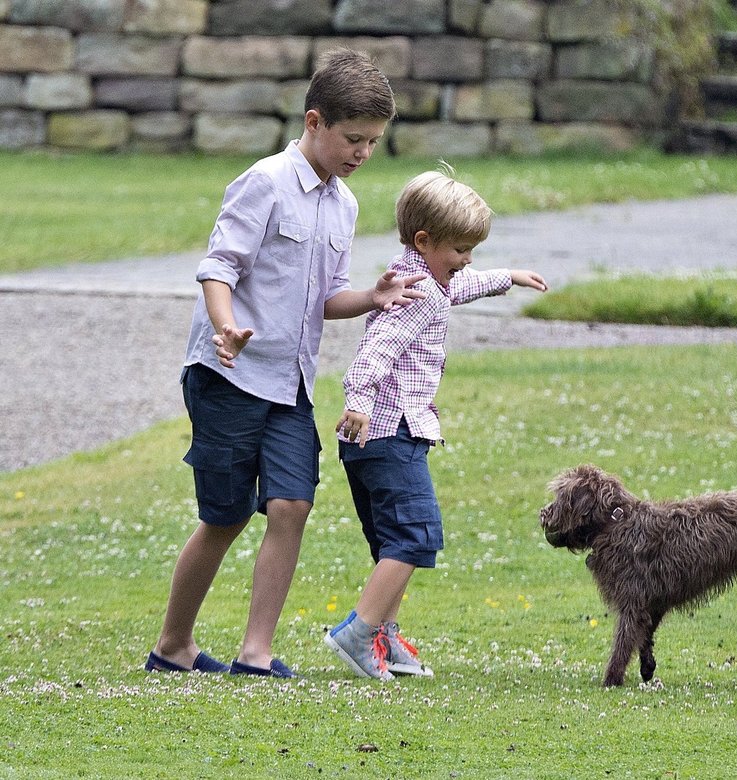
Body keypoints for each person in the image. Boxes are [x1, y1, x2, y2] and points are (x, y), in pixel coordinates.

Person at [145, 49, 424, 679]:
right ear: (314, 121)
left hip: (290, 381)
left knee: (292, 505)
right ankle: (173, 645)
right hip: (228, 374)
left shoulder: (344, 205)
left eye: (374, 142)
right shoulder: (265, 182)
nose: (362, 153)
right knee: (224, 515)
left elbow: (326, 298)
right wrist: (226, 327)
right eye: (353, 138)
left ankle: (256, 653)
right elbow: (219, 268)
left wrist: (374, 299)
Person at [325, 168, 548, 680]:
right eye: (460, 248)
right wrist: (358, 400)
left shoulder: (424, 278)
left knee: (393, 541)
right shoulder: (417, 294)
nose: (467, 259)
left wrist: (505, 277)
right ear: (424, 241)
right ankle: (357, 634)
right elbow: (374, 353)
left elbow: (461, 285)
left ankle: (381, 638)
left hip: (376, 437)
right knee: (416, 535)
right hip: (388, 432)